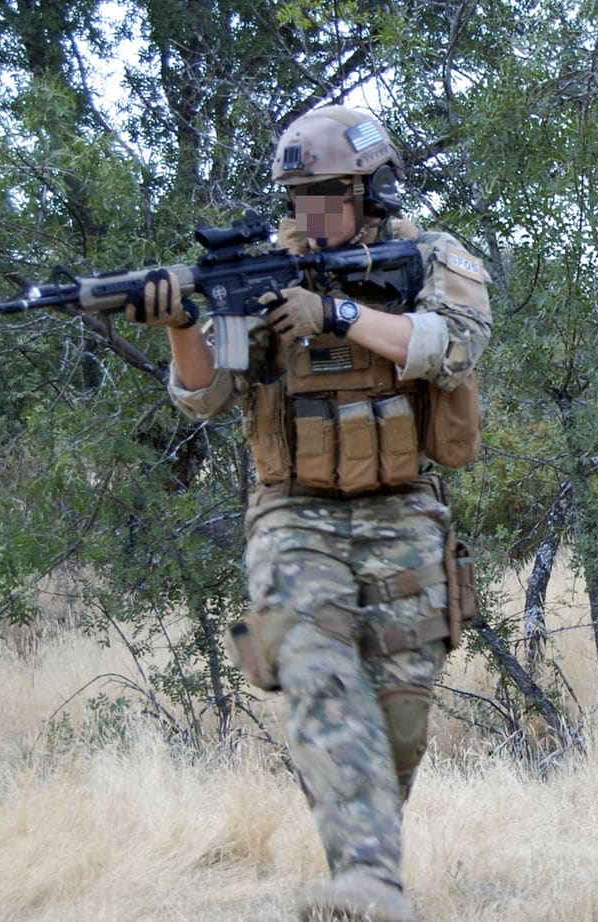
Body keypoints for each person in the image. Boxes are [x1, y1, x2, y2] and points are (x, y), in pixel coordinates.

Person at [124, 104, 491, 922]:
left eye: (329, 194)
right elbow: (204, 396)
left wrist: (340, 315)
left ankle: (364, 876)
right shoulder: (262, 271)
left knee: (398, 720)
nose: (309, 214)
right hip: (294, 514)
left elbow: (458, 342)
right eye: (297, 197)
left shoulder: (432, 255)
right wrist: (185, 323)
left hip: (404, 507)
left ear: (375, 188)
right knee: (320, 672)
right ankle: (368, 885)